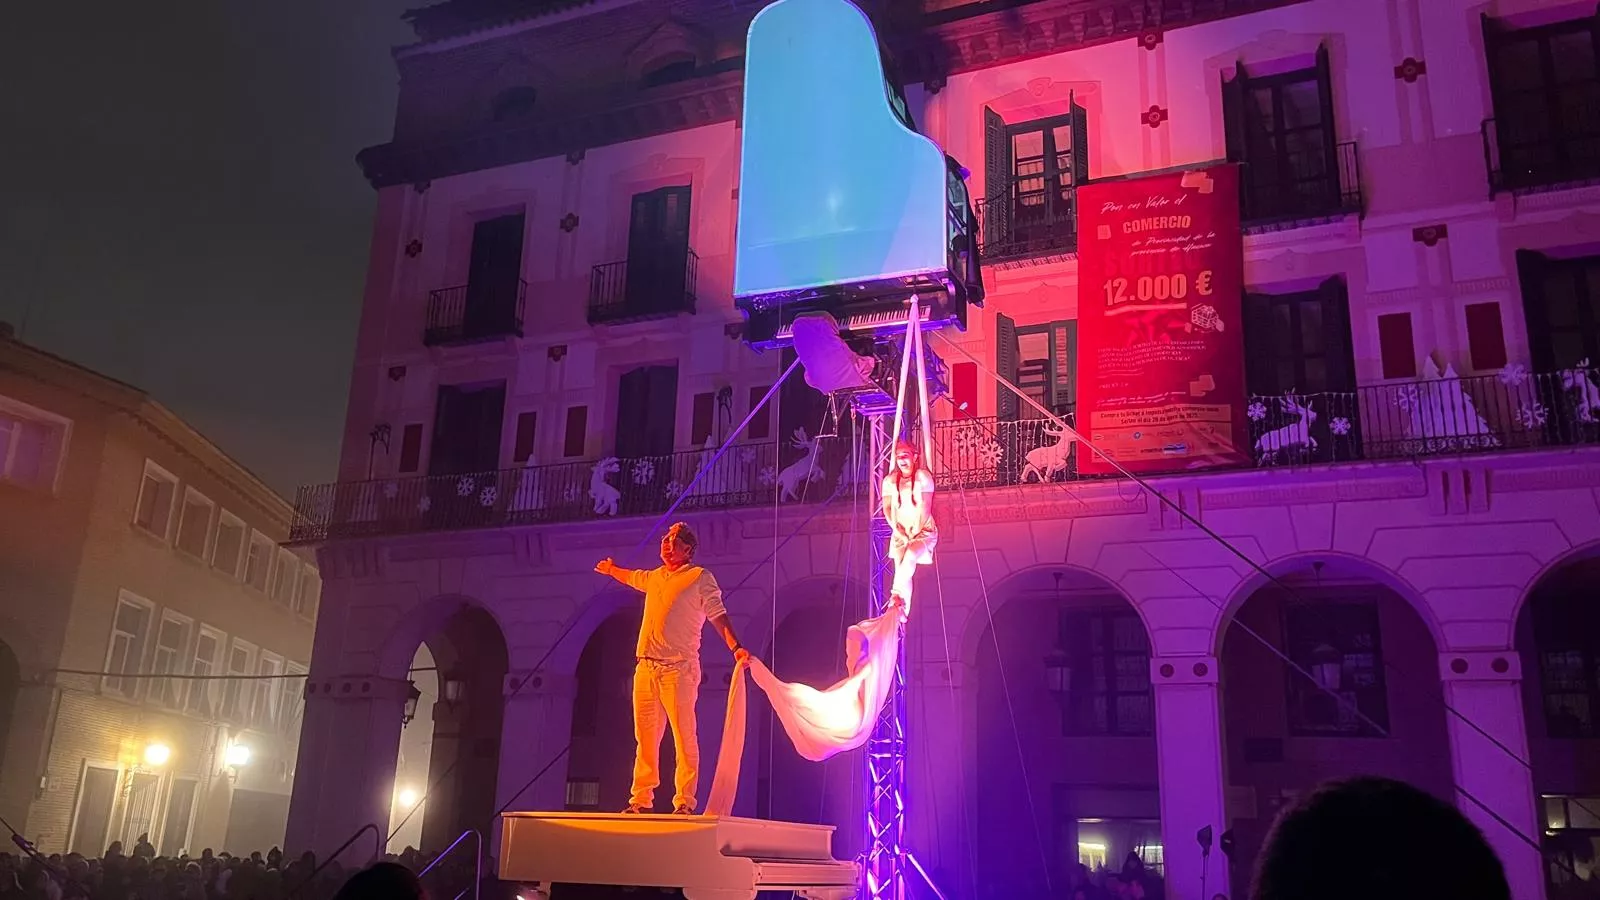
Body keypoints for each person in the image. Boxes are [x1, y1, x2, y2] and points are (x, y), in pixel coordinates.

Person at [595, 522, 748, 815]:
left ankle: (685, 801)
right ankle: (641, 799)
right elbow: (633, 577)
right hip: (646, 667)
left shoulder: (699, 577)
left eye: (674, 541)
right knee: (645, 738)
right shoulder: (655, 577)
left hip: (678, 669)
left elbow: (718, 615)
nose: (666, 544)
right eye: (665, 539)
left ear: (688, 549)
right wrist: (612, 569)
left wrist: (735, 647)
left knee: (683, 736)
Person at [881, 439, 937, 619]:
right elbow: (887, 508)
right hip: (900, 533)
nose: (901, 460)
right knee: (902, 569)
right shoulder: (890, 481)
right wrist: (898, 530)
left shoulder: (923, 477)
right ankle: (903, 613)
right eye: (898, 457)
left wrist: (914, 531)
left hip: (923, 531)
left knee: (911, 555)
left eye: (905, 456)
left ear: (915, 457)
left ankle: (895, 594)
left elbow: (925, 507)